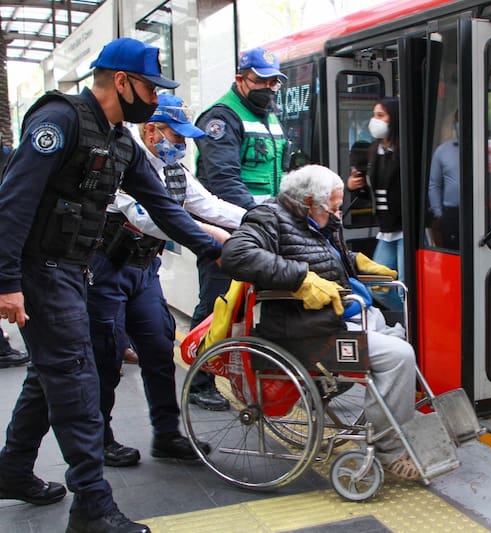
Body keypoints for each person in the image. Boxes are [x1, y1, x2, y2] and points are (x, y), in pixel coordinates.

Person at [0, 37, 222, 533]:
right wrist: (6, 280)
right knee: (77, 378)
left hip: (72, 270)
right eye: (150, 87)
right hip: (41, 271)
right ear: (121, 82)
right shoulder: (59, 121)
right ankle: (92, 507)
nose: (154, 98)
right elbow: (13, 203)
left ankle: (12, 469)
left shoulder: (120, 141)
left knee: (50, 373)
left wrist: (214, 250)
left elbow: (163, 206)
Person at [221, 164, 421, 480]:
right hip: (306, 331)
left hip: (336, 318)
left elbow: (323, 257)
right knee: (398, 357)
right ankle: (390, 450)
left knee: (403, 339)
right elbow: (236, 255)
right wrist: (299, 278)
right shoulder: (267, 218)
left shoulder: (315, 220)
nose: (338, 214)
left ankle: (389, 423)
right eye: (335, 208)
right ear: (309, 202)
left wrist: (354, 262)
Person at [87, 93, 246, 469]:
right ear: (151, 130)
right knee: (106, 356)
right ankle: (99, 440)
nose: (182, 145)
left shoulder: (174, 170)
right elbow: (145, 218)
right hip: (106, 269)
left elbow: (209, 204)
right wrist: (209, 235)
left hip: (144, 271)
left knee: (159, 351)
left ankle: (167, 435)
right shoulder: (123, 161)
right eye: (177, 137)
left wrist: (259, 217)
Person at [188, 46, 289, 409]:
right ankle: (198, 381)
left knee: (250, 304)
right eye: (261, 80)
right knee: (217, 302)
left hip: (261, 225)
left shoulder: (270, 116)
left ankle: (254, 372)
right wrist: (260, 217)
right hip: (226, 227)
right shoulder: (221, 117)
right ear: (240, 79)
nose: (269, 87)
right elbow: (224, 180)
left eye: (274, 81)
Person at [346, 97, 404, 281]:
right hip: (386, 228)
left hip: (405, 228)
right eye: (374, 115)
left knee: (403, 283)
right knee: (378, 284)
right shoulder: (374, 151)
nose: (375, 120)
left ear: (394, 118)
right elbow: (372, 192)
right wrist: (354, 187)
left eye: (381, 115)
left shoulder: (404, 150)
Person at [428, 110, 460, 250]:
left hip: (481, 212)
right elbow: (434, 184)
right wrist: (439, 213)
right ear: (455, 124)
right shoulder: (442, 151)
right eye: (459, 121)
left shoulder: (484, 149)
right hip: (451, 214)